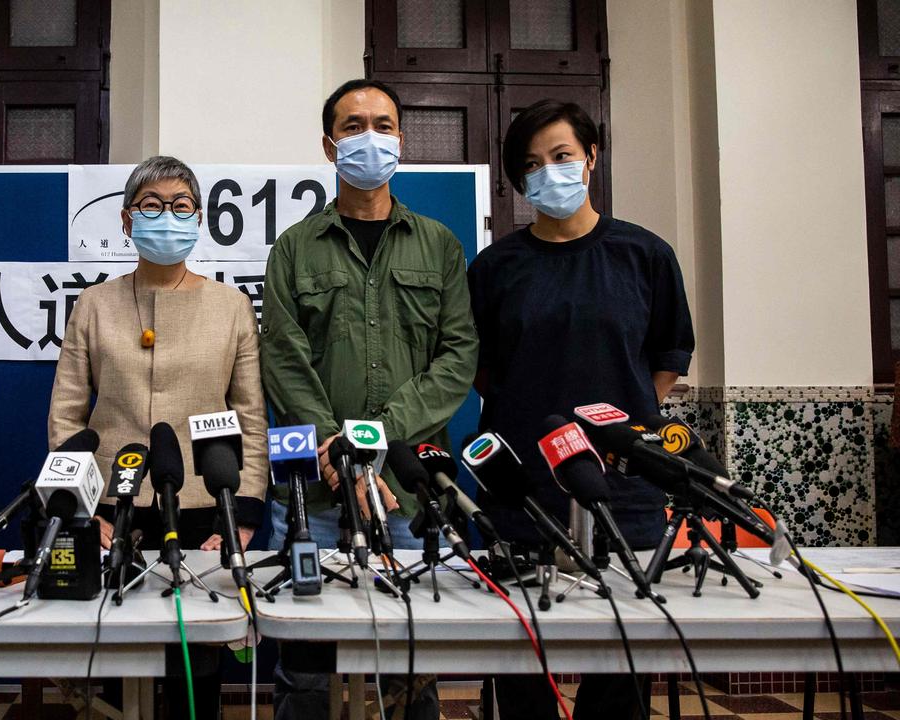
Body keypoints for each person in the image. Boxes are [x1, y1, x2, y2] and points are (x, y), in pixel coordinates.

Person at [468, 99, 695, 719]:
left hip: (624, 493)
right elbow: (481, 368)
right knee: (518, 668)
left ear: (591, 157)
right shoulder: (495, 268)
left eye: (562, 156)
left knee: (620, 671)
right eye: (532, 164)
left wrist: (623, 429)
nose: (549, 172)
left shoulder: (645, 255)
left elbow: (668, 358)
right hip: (521, 492)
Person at [260, 78, 479, 720]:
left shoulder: (438, 244)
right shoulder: (294, 248)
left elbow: (457, 355)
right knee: (304, 671)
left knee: (411, 670)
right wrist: (340, 450)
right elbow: (283, 357)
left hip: (407, 496)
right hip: (316, 494)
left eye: (382, 125)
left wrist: (373, 439)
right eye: (353, 127)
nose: (369, 138)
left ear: (401, 142)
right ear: (330, 147)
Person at [48, 155, 268, 718]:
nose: (166, 217)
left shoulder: (232, 306)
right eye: (150, 207)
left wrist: (241, 515)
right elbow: (68, 416)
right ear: (126, 221)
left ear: (199, 219)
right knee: (121, 663)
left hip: (202, 503)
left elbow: (249, 414)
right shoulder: (93, 306)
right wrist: (78, 509)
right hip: (111, 509)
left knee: (198, 671)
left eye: (180, 206)